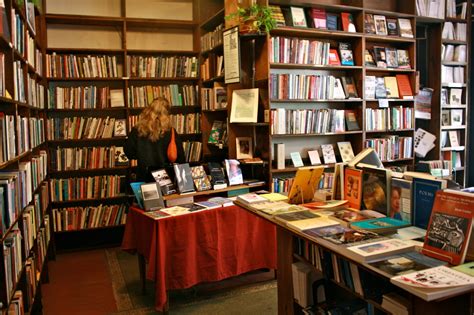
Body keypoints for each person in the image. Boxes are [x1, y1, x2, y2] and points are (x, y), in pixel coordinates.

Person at [124, 97, 185, 182]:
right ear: (167, 113)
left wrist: (141, 155)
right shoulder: (170, 131)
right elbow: (180, 158)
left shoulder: (137, 130)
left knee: (146, 194)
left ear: (149, 110)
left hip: (144, 176)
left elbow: (129, 153)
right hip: (165, 177)